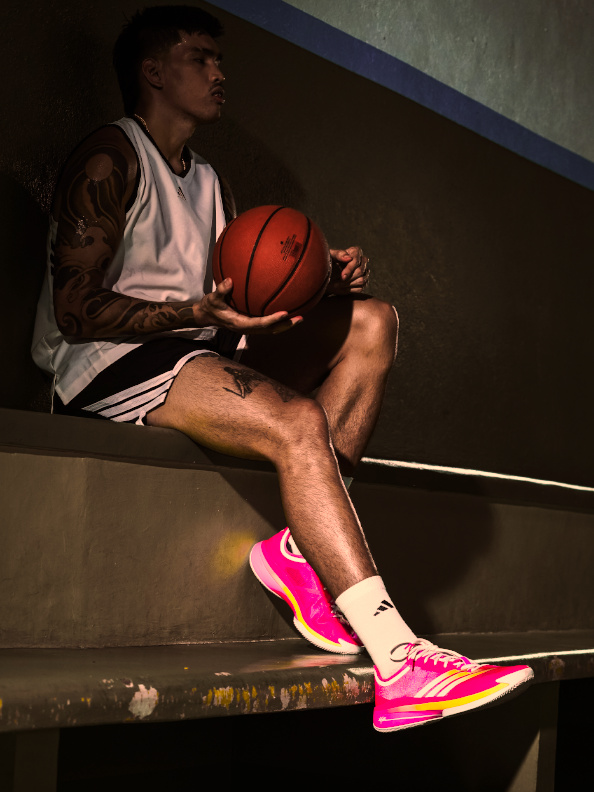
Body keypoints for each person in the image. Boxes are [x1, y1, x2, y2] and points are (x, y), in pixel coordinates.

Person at [31, 5, 533, 733]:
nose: (219, 72)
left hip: (196, 348)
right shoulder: (111, 157)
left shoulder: (208, 180)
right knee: (298, 422)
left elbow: (238, 295)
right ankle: (400, 661)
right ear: (153, 72)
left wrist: (322, 279)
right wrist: (194, 312)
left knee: (373, 322)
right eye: (200, 58)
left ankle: (303, 548)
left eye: (218, 60)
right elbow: (74, 310)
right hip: (106, 366)